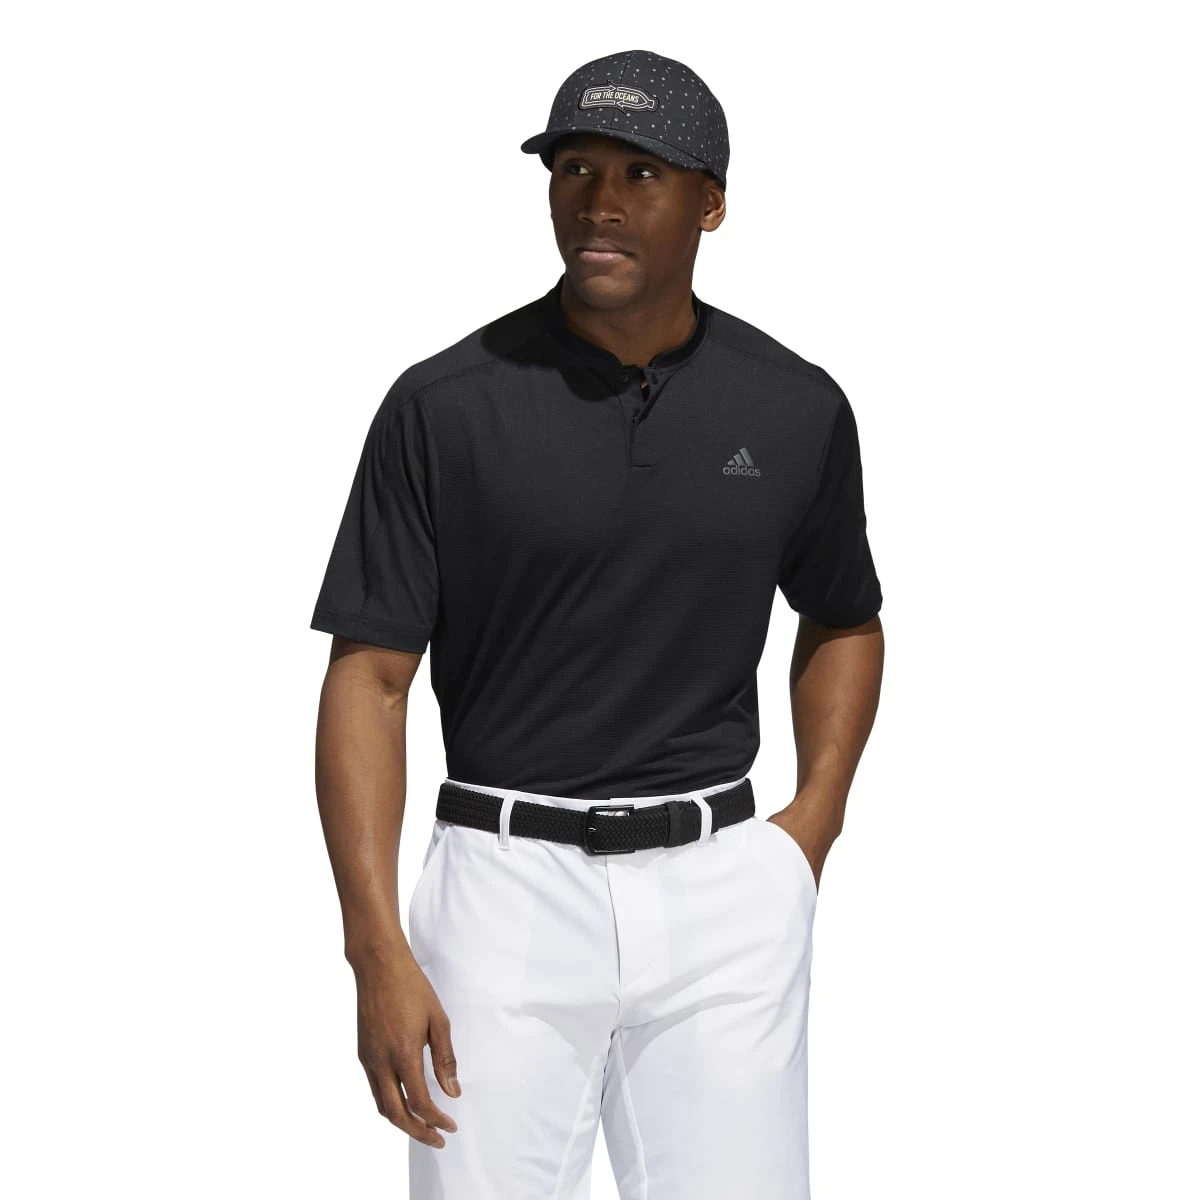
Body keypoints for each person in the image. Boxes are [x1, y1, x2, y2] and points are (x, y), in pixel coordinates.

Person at [310, 48, 884, 1200]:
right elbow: (371, 679)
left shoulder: (795, 405)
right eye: (574, 169)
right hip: (502, 897)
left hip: (725, 897)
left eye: (640, 173)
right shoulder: (444, 406)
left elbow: (844, 617)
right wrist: (375, 948)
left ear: (710, 203)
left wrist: (809, 828)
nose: (598, 202)